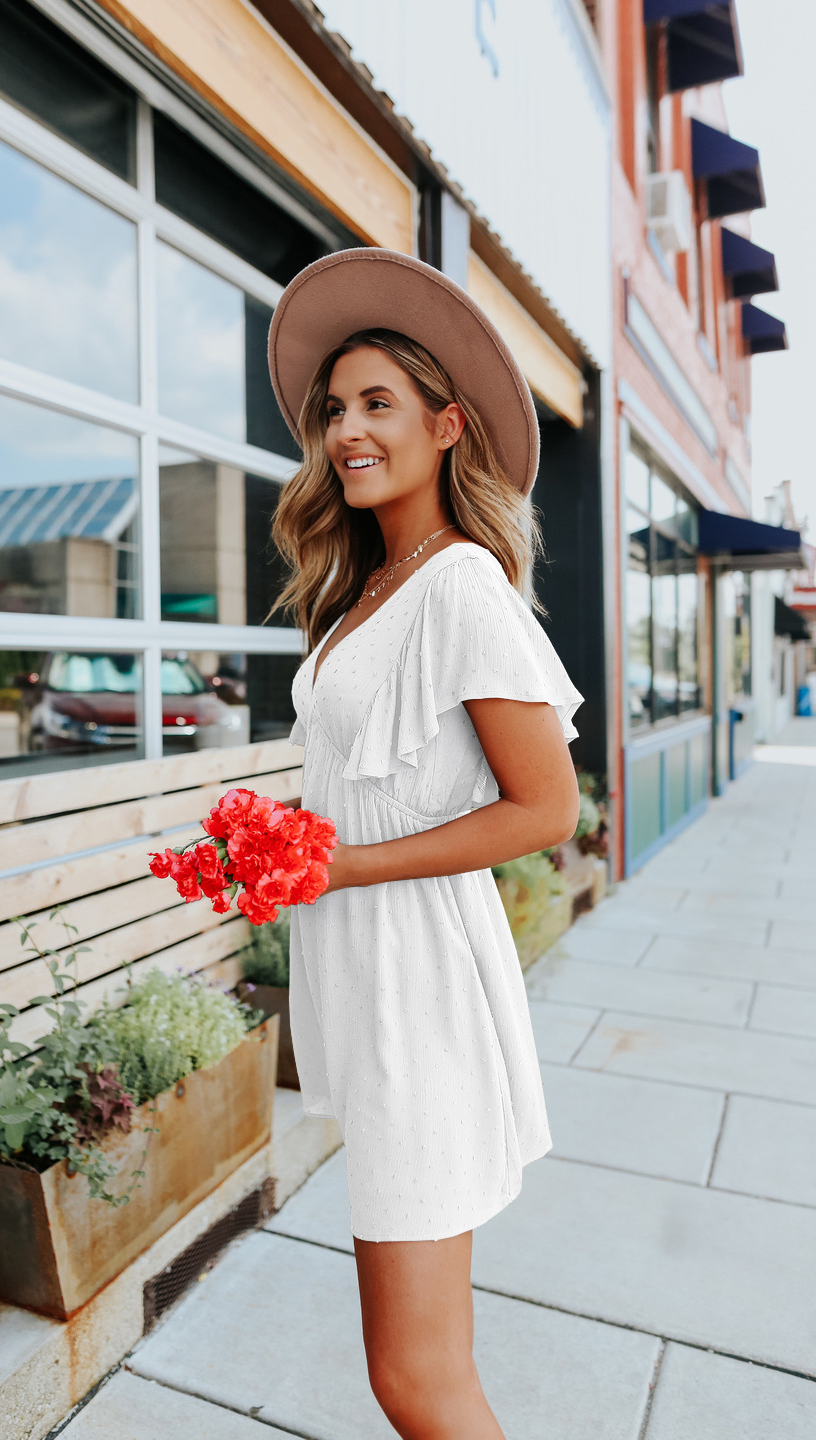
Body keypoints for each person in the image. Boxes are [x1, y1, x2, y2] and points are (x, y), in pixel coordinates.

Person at [267, 248, 584, 1440]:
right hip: (372, 976)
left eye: (378, 404)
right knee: (411, 1366)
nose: (347, 429)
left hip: (422, 994)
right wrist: (286, 844)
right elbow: (369, 785)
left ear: (449, 426)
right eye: (335, 410)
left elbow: (544, 810)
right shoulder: (368, 590)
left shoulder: (458, 587)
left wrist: (342, 862)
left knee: (417, 1378)